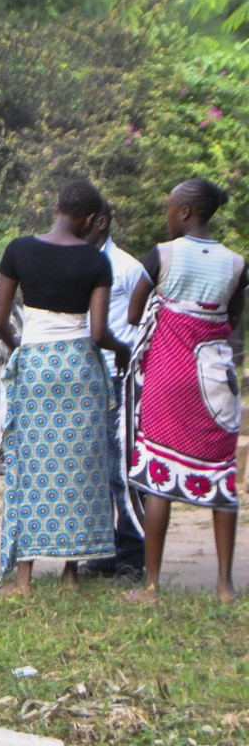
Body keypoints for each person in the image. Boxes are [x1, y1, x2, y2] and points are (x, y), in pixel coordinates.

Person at [0, 179, 127, 596]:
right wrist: (121, 352)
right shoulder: (95, 260)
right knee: (81, 469)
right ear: (89, 219)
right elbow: (100, 331)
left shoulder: (18, 249)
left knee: (31, 467)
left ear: (57, 208)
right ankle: (71, 574)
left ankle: (24, 578)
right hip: (79, 367)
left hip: (35, 366)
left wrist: (24, 349)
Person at [125, 178, 245, 604]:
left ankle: (152, 585)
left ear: (186, 213)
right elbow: (232, 321)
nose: (167, 215)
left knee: (159, 475)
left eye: (169, 207)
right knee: (221, 476)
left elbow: (136, 311)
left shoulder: (162, 254)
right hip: (215, 379)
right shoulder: (236, 263)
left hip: (168, 377)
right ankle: (226, 586)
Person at [79, 199, 146, 578]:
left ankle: (134, 552)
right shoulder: (82, 264)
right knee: (95, 469)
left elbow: (138, 325)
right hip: (89, 380)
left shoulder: (126, 267)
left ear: (101, 222)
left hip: (120, 378)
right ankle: (104, 550)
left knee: (122, 470)